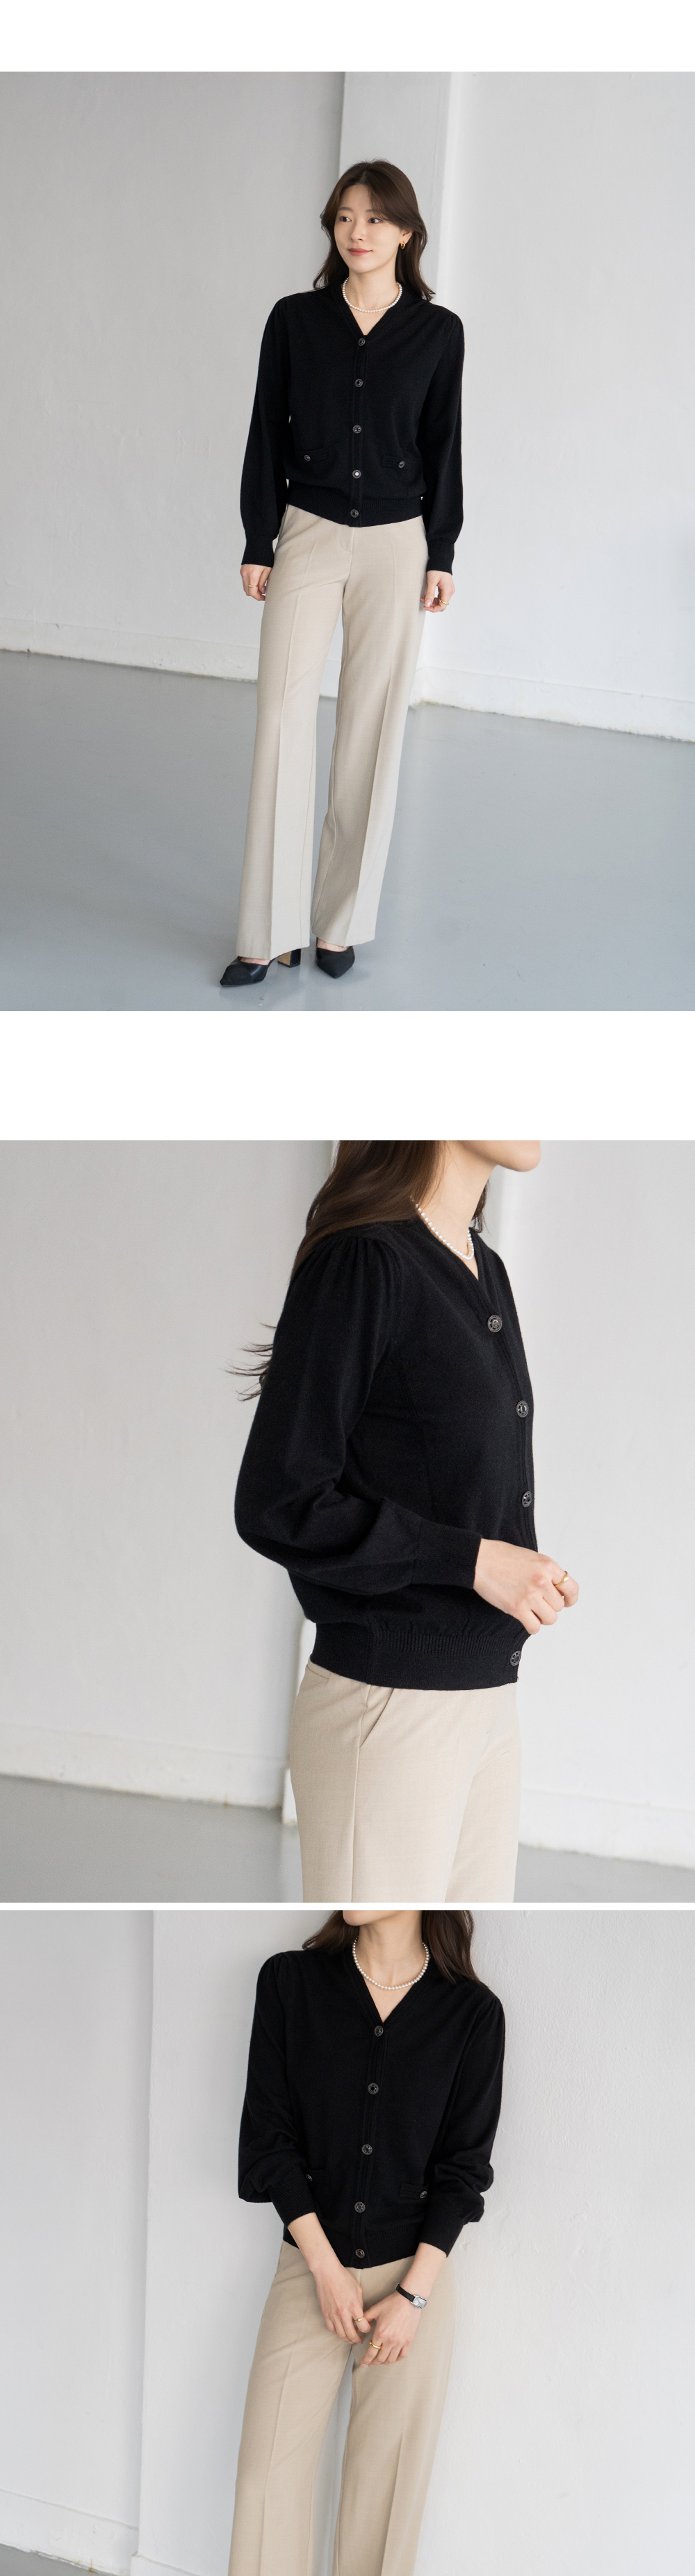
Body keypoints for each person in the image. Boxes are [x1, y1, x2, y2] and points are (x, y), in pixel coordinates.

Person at [181, 1906, 505, 2576]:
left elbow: (463, 2171)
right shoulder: (291, 1984)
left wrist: (413, 2297)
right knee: (267, 2482)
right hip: (310, 2267)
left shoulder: (471, 2015)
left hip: (414, 2284)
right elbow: (268, 2140)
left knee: (382, 2491)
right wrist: (323, 2268)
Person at [234, 1141, 579, 1902]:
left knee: (463, 1941)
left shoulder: (484, 1269)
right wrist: (474, 1560)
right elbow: (279, 1502)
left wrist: (516, 1571)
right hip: (389, 1705)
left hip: (488, 1702)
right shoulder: (364, 1261)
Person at [221, 161, 464, 990]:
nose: (358, 232)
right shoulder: (295, 320)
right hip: (309, 534)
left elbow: (443, 444)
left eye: (375, 218)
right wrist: (259, 539)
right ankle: (265, 933)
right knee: (281, 717)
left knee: (372, 726)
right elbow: (266, 431)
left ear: (406, 232)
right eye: (345, 217)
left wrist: (441, 551)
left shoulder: (438, 333)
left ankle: (337, 925)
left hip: (398, 543)